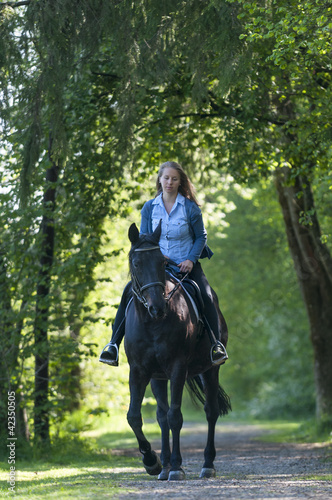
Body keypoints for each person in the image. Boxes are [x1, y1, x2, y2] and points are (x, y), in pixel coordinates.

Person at [99, 161, 227, 366]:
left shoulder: (190, 208)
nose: (170, 182)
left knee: (206, 295)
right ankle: (112, 346)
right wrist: (155, 258)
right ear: (160, 180)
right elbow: (144, 237)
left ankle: (215, 345)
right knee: (128, 292)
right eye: (166, 178)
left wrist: (191, 260)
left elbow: (201, 237)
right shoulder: (150, 207)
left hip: (186, 265)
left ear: (180, 182)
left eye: (174, 179)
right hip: (157, 267)